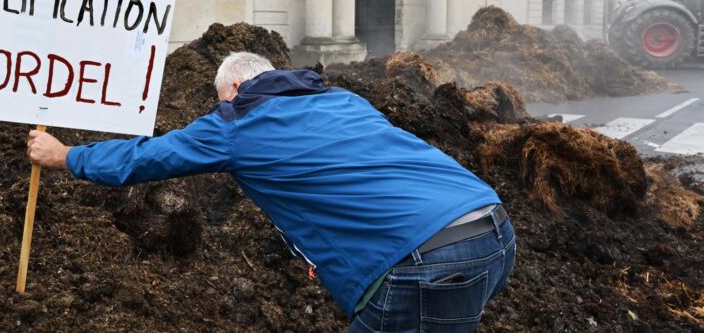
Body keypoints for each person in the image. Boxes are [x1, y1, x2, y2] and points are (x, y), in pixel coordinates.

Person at [27, 52, 516, 332]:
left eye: (221, 100)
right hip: (491, 227)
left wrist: (67, 156)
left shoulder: (236, 122)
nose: (220, 108)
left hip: (425, 264)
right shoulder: (342, 98)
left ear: (235, 88)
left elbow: (147, 158)